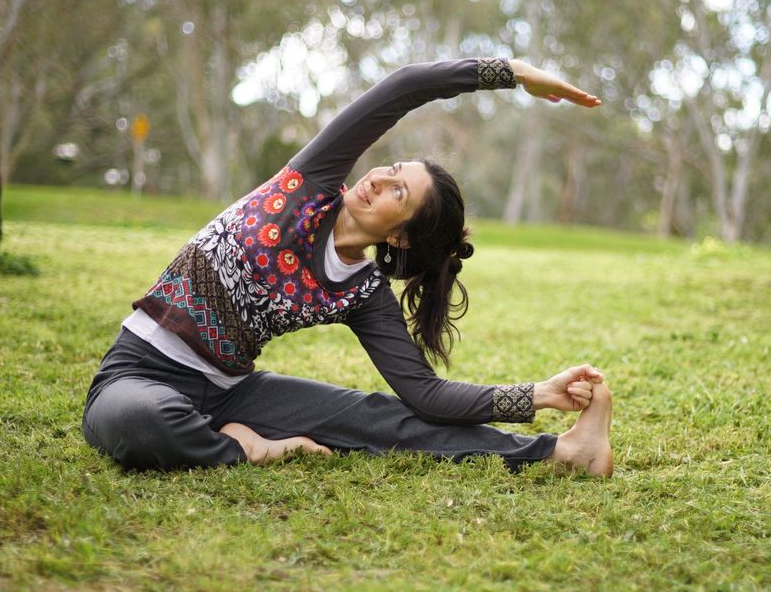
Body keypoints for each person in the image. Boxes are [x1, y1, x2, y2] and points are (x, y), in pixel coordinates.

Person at [81, 57, 613, 477]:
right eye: (392, 168)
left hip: (230, 390)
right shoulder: (310, 183)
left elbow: (425, 395)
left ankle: (561, 454)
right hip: (139, 372)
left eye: (397, 190)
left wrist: (538, 394)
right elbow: (405, 87)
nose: (378, 177)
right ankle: (250, 449)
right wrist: (514, 73)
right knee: (143, 423)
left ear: (400, 233)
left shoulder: (362, 290)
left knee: (379, 419)